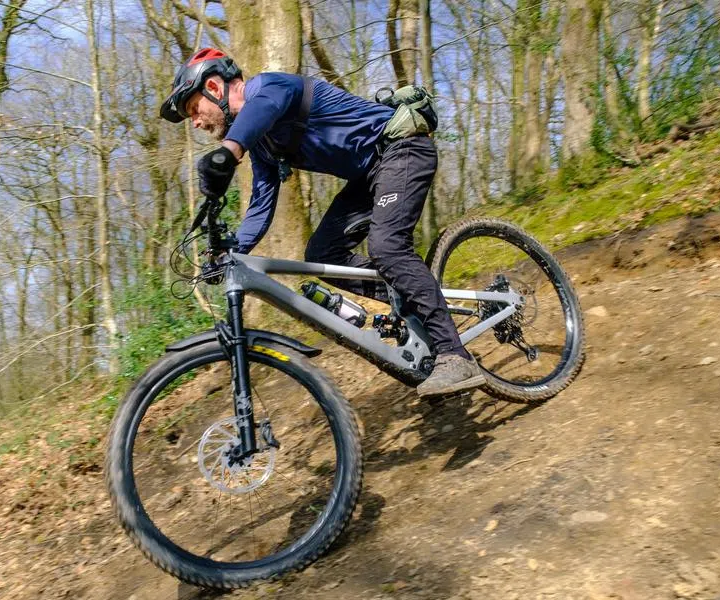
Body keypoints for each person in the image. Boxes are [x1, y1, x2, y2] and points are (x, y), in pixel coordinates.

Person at [159, 47, 484, 397]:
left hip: (401, 149)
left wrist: (230, 150)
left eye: (194, 109)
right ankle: (411, 304)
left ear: (215, 87)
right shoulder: (265, 147)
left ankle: (454, 355)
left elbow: (266, 105)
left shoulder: (269, 87)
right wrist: (231, 252)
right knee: (322, 253)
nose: (195, 121)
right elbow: (260, 205)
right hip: (368, 176)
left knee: (387, 246)